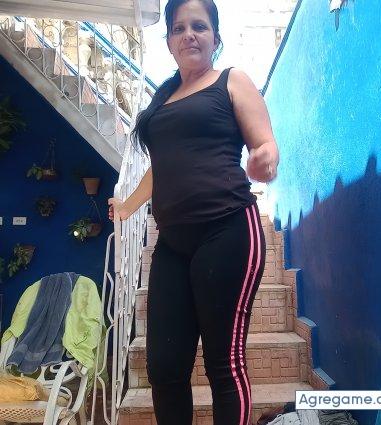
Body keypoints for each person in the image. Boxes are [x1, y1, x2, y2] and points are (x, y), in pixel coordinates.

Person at [108, 0, 279, 423]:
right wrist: (128, 206)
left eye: (199, 26)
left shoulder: (231, 81)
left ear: (215, 38)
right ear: (169, 41)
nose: (189, 35)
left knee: (223, 362)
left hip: (228, 231)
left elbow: (265, 144)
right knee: (164, 367)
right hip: (173, 244)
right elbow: (162, 165)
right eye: (179, 28)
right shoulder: (164, 98)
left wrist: (263, 160)